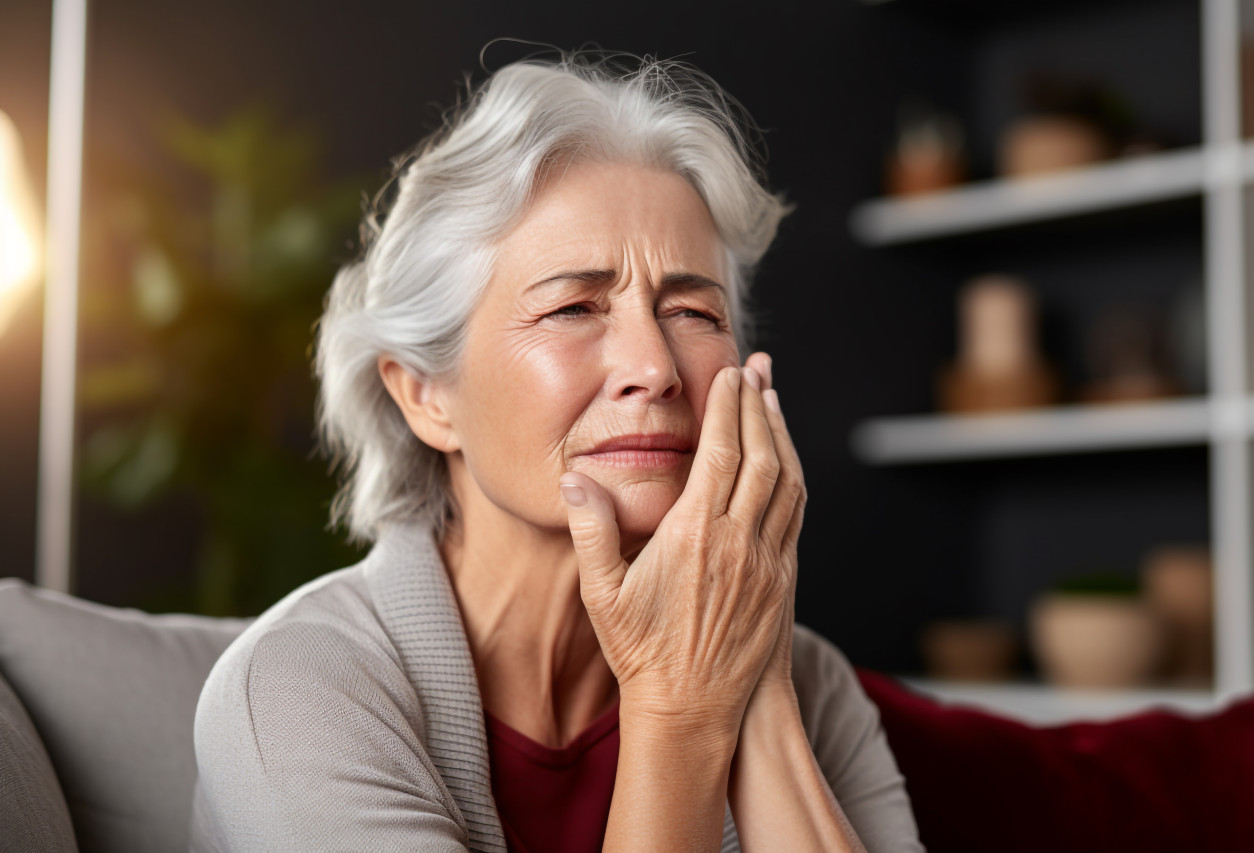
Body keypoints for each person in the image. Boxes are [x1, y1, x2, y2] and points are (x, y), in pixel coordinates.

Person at [191, 52, 923, 853]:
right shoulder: (300, 691)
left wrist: (756, 677)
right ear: (426, 395)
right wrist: (683, 708)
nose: (654, 367)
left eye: (692, 312)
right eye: (574, 307)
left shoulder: (812, 681)